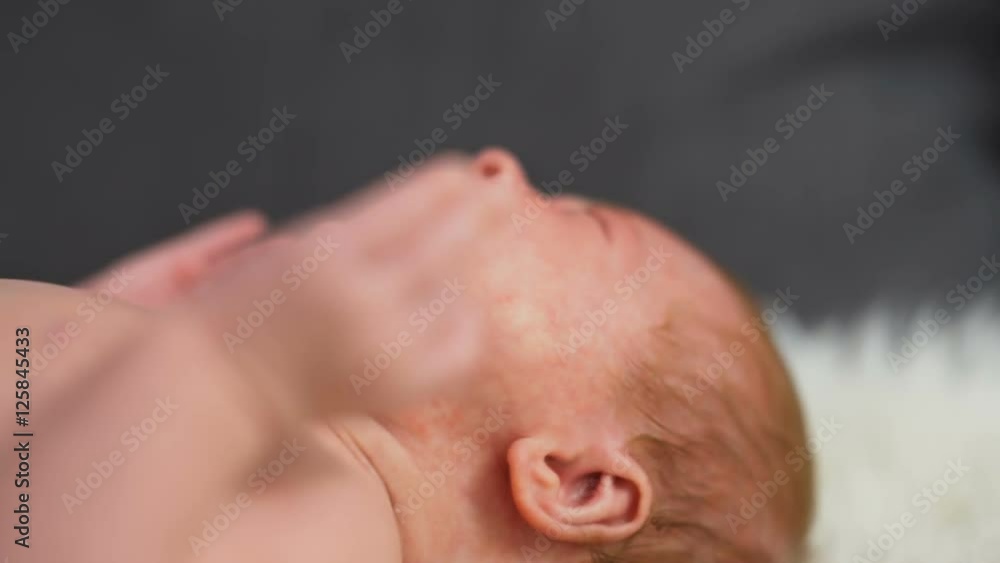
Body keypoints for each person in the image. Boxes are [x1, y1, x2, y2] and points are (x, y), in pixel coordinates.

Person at [1, 149, 811, 563]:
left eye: (582, 221)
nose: (501, 165)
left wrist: (225, 369)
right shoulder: (297, 455)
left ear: (575, 483)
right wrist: (101, 334)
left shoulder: (344, 525)